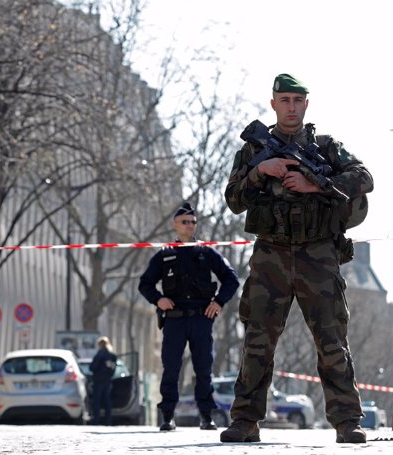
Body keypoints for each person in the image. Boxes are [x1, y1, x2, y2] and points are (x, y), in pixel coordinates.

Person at [220, 73, 374, 444]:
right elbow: (233, 199)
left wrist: (313, 184)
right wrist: (259, 172)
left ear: (307, 104)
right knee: (258, 339)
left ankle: (347, 422)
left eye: (297, 100)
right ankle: (245, 420)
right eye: (284, 100)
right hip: (270, 253)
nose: (291, 107)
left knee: (332, 340)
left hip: (317, 253)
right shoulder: (253, 150)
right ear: (273, 103)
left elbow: (364, 177)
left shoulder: (325, 147)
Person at [138, 202, 239, 431]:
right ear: (175, 225)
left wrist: (218, 302)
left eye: (193, 222)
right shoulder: (165, 254)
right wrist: (158, 299)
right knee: (171, 367)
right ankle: (167, 416)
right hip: (174, 319)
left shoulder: (207, 252)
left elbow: (231, 279)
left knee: (203, 368)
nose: (190, 225)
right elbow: (145, 284)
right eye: (185, 222)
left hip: (201, 318)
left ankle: (206, 416)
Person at [89, 336, 118, 425]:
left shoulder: (100, 354)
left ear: (100, 345)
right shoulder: (112, 355)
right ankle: (108, 421)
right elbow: (113, 369)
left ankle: (96, 420)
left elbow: (93, 367)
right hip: (108, 380)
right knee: (107, 400)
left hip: (98, 380)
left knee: (97, 400)